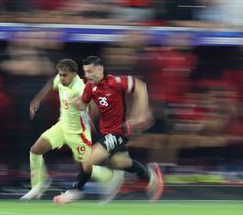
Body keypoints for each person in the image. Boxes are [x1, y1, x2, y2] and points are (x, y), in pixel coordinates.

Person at [53, 56, 164, 204]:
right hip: (104, 132)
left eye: (90, 71)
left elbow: (140, 86)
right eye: (85, 72)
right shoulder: (90, 87)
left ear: (100, 69)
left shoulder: (114, 82)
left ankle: (74, 191)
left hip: (118, 132)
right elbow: (83, 105)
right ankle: (151, 177)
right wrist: (74, 106)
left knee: (88, 160)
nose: (87, 75)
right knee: (121, 162)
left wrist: (141, 113)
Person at [20, 58, 123, 201]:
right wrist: (37, 100)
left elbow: (93, 106)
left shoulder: (80, 88)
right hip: (62, 127)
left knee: (86, 167)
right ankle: (37, 187)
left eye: (65, 75)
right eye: (60, 74)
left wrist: (88, 117)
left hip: (78, 134)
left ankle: (110, 176)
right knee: (35, 150)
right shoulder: (60, 79)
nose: (61, 78)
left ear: (74, 74)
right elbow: (52, 84)